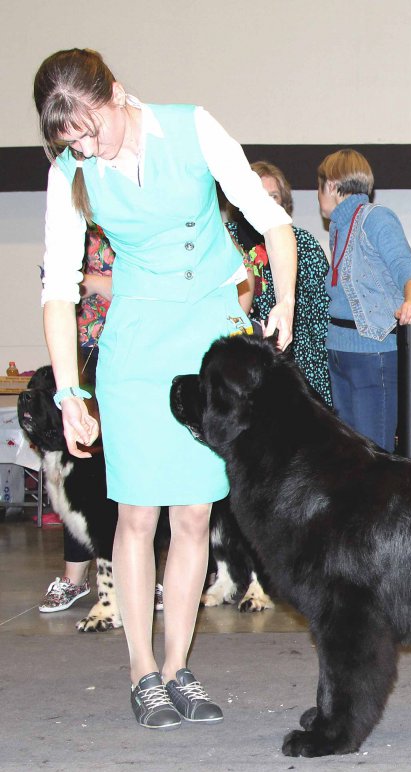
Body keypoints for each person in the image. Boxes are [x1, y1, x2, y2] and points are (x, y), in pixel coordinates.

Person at [34, 48, 296, 729]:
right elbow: (59, 289)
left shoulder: (190, 127)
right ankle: (141, 673)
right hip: (137, 349)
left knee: (194, 515)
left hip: (209, 343)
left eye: (93, 126)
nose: (89, 146)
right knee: (137, 515)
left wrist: (285, 301)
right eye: (73, 139)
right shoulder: (71, 172)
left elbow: (271, 220)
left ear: (117, 92)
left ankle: (179, 667)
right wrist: (69, 392)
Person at [317, 149, 411, 452]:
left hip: (373, 352)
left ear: (331, 184)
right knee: (348, 455)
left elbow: (410, 272)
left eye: (319, 186)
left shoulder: (376, 218)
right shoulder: (339, 226)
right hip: (340, 350)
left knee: (373, 457)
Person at [38, 222, 113, 613]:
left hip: (125, 356)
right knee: (77, 471)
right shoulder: (68, 232)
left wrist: (96, 283)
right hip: (77, 360)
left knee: (122, 478)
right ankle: (73, 578)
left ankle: (138, 575)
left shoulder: (125, 227)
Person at [224, 160, 332, 405]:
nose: (266, 202)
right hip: (238, 365)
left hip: (298, 362)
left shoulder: (303, 244)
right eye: (260, 195)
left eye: (273, 195)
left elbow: (321, 312)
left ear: (283, 202)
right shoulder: (224, 239)